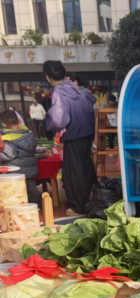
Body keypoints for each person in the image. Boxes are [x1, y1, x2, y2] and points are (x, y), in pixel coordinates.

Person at [44, 60, 97, 216]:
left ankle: (78, 206)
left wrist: (48, 123)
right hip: (86, 135)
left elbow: (58, 120)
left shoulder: (59, 93)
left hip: (74, 136)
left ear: (48, 77)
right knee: (85, 169)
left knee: (74, 172)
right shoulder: (76, 89)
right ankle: (91, 201)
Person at [0, 110, 41, 206]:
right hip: (30, 170)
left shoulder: (7, 138)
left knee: (16, 192)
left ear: (3, 124)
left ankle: (18, 207)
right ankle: (36, 205)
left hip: (14, 171)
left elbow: (8, 155)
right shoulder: (29, 135)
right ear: (18, 120)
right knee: (31, 189)